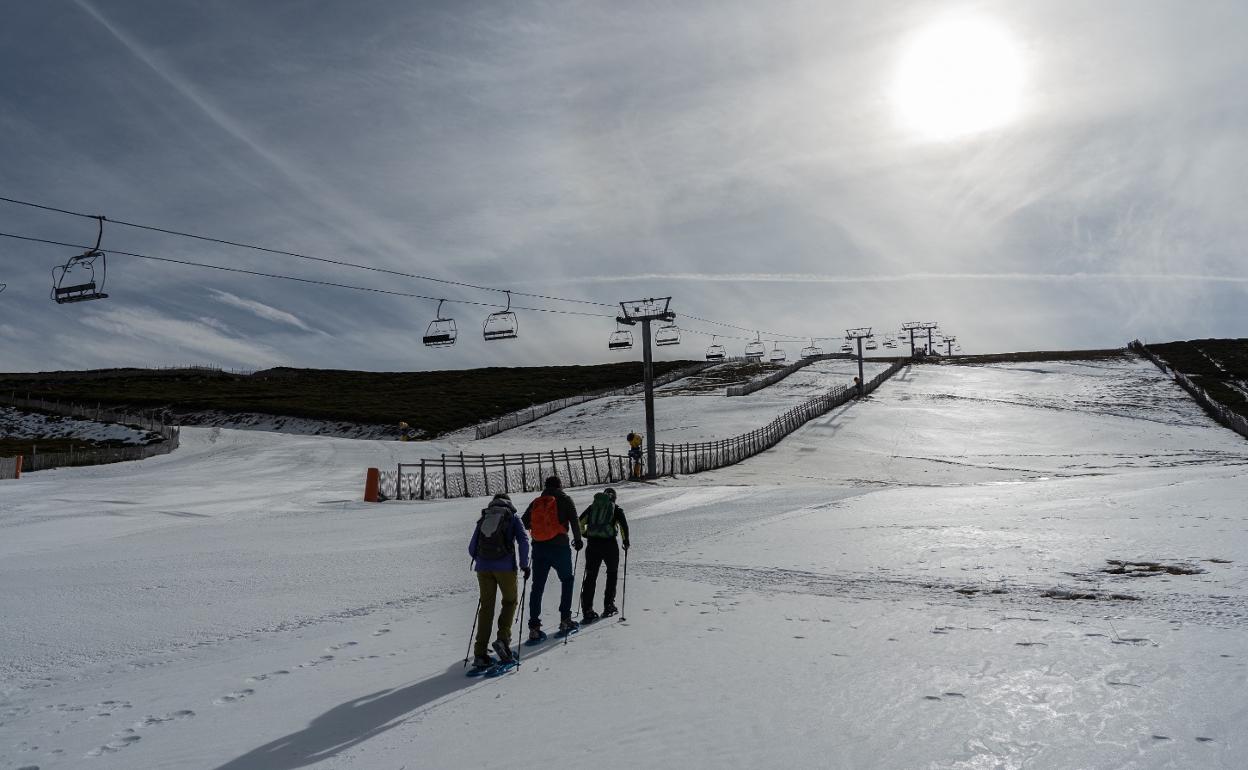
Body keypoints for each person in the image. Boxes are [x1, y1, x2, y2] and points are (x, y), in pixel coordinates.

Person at [468, 493, 531, 668]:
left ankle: (480, 653)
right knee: (510, 601)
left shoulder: (485, 516)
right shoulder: (512, 516)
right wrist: (524, 564)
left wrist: (483, 559)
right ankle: (503, 640)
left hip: (483, 568)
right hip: (505, 568)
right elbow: (524, 540)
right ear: (508, 502)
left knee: (486, 607)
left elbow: (472, 548)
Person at [522, 476, 584, 639]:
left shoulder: (537, 501)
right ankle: (565, 619)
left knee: (537, 586)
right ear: (559, 486)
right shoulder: (565, 499)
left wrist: (539, 528)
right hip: (559, 547)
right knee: (567, 580)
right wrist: (578, 540)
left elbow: (524, 522)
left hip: (539, 547)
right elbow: (575, 521)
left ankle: (534, 627)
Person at [579, 487, 630, 622]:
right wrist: (625, 541)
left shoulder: (592, 507)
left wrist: (587, 534)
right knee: (612, 573)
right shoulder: (616, 509)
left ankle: (587, 609)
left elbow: (580, 523)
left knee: (591, 576)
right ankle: (609, 605)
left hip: (592, 545)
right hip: (609, 545)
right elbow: (624, 527)